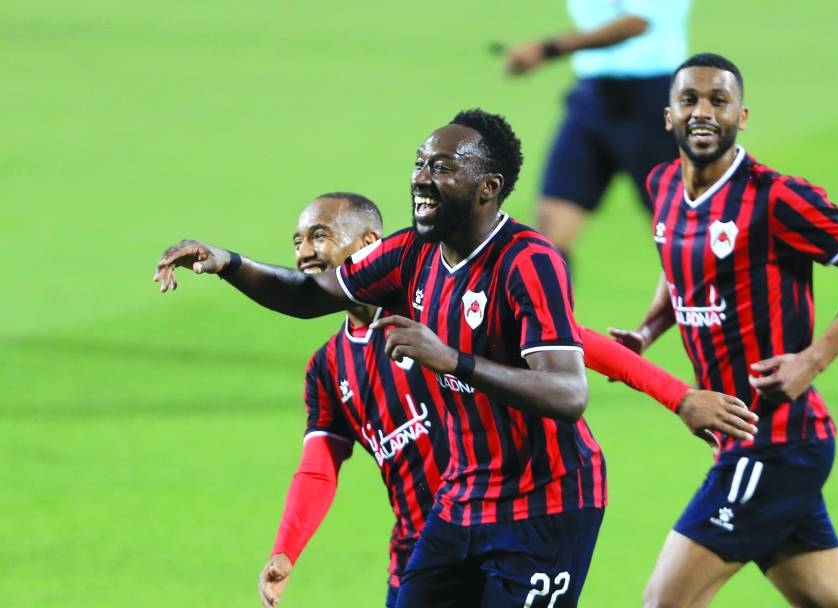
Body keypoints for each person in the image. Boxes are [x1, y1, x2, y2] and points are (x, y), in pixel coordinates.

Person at [155, 109, 756, 607]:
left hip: (546, 503)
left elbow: (570, 390)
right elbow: (309, 295)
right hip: (462, 502)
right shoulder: (408, 257)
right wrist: (228, 263)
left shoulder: (527, 261)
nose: (421, 178)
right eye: (419, 164)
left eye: (440, 168)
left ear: (487, 187)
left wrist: (452, 361)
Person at [254, 193, 758, 607]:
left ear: (369, 244)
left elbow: (576, 342)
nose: (304, 254)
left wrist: (678, 396)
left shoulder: (432, 298)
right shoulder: (328, 367)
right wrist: (286, 550)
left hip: (511, 517)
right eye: (297, 242)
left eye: (319, 236)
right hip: (424, 545)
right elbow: (320, 466)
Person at [610, 53, 838, 607]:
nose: (702, 111)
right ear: (668, 116)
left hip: (772, 442)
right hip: (755, 441)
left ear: (741, 116)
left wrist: (811, 361)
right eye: (689, 99)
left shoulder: (776, 197)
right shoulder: (663, 184)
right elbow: (680, 265)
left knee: (662, 603)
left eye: (718, 100)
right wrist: (646, 333)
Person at [504, 0, 691, 267]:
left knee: (684, 229)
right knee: (549, 232)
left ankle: (714, 291)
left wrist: (547, 49)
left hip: (652, 101)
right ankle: (548, 295)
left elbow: (638, 22)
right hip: (592, 95)